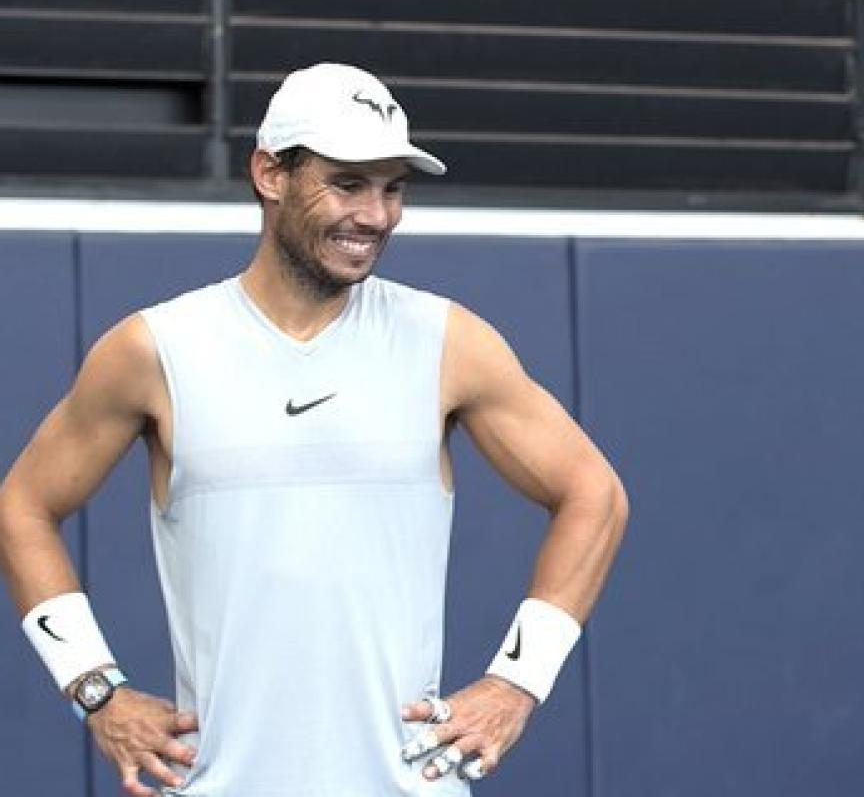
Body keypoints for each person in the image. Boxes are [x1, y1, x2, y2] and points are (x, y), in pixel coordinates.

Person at [0, 62, 629, 796]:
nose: (377, 215)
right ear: (270, 173)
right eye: (349, 183)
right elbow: (22, 506)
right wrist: (96, 690)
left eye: (393, 188)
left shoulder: (449, 342)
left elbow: (597, 496)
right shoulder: (154, 348)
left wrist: (517, 682)